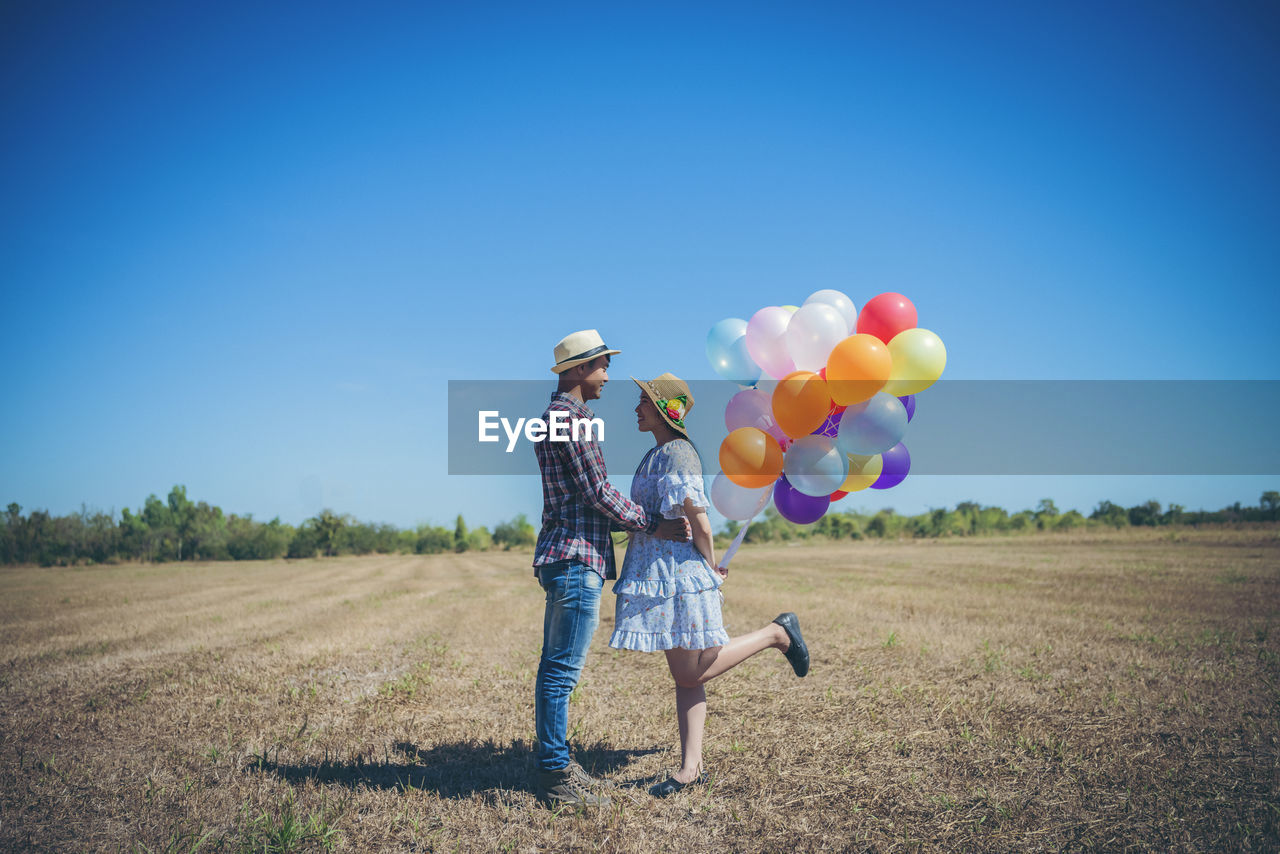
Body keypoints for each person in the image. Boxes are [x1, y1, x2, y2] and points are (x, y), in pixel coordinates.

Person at [609, 373, 810, 797]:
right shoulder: (655, 454)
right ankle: (691, 767)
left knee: (690, 671)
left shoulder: (679, 452)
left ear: (666, 410)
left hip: (680, 577)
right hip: (662, 575)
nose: (636, 408)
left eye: (644, 401)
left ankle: (776, 633)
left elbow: (698, 519)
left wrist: (711, 568)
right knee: (687, 677)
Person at [532, 330, 692, 809]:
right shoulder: (572, 420)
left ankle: (554, 760)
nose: (607, 376)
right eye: (603, 366)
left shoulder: (558, 418)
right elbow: (598, 492)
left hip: (564, 552)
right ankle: (554, 773)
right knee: (561, 670)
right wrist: (653, 525)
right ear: (580, 369)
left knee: (555, 667)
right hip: (576, 556)